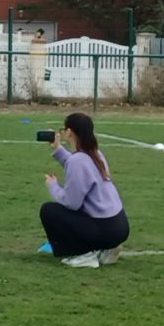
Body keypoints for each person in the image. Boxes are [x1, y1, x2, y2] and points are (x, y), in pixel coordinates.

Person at [39, 112, 129, 269]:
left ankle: (82, 255)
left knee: (49, 211)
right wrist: (58, 149)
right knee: (79, 214)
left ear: (69, 132)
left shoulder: (78, 160)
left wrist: (53, 186)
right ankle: (106, 250)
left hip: (105, 228)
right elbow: (77, 164)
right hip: (120, 226)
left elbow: (72, 203)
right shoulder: (95, 153)